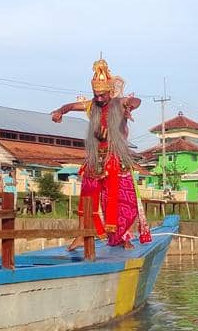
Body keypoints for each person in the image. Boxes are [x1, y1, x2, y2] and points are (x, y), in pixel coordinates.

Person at [51, 57, 150, 250]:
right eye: (96, 94)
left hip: (116, 158)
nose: (99, 98)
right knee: (86, 196)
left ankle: (125, 237)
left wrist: (130, 104)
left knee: (123, 199)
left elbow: (136, 101)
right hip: (96, 158)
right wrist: (59, 111)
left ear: (110, 92)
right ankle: (82, 235)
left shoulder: (119, 103)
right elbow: (70, 106)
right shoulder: (92, 105)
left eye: (103, 94)